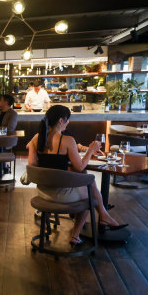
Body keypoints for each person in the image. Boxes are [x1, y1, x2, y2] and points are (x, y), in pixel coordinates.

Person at [27, 105, 127, 246]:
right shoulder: (66, 140)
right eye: (67, 120)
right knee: (90, 192)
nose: (68, 123)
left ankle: (104, 216)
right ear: (61, 121)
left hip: (42, 192)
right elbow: (79, 166)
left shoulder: (36, 139)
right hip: (61, 195)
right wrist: (90, 150)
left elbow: (32, 164)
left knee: (86, 179)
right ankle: (77, 234)